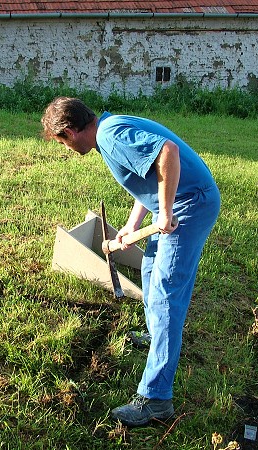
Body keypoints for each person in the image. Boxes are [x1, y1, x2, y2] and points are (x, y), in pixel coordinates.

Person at [41, 97, 221, 427]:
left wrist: (164, 212)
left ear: (69, 131)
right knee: (151, 271)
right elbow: (148, 175)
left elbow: (167, 153)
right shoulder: (109, 127)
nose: (66, 149)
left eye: (62, 142)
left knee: (167, 297)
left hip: (189, 207)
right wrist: (132, 224)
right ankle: (155, 335)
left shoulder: (109, 136)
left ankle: (156, 399)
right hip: (178, 202)